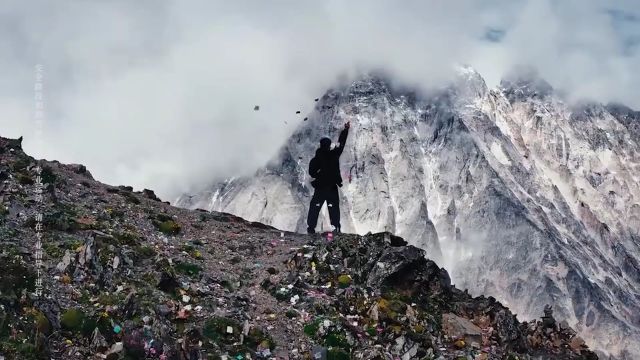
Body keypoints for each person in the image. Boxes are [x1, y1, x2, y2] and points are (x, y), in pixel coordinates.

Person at [307, 122, 350, 234]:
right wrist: (345, 130)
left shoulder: (316, 159)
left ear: (321, 145)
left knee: (315, 207)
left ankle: (311, 229)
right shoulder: (334, 155)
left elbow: (311, 172)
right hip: (331, 187)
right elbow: (341, 144)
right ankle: (336, 229)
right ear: (329, 145)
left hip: (320, 187)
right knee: (334, 208)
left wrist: (319, 175)